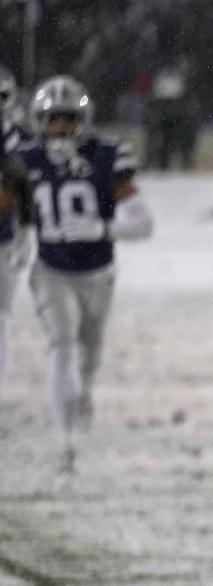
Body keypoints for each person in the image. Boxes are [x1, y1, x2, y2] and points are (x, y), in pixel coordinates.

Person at [9, 76, 154, 472]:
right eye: (53, 120)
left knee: (89, 356)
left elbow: (144, 225)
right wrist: (20, 237)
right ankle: (65, 441)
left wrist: (102, 228)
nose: (60, 128)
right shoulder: (23, 158)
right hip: (51, 270)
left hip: (98, 272)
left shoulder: (106, 156)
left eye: (67, 120)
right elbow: (15, 208)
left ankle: (84, 392)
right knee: (62, 345)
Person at [0, 64, 34, 402]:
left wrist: (25, 234)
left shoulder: (18, 141)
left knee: (1, 317)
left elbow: (27, 192)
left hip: (4, 238)